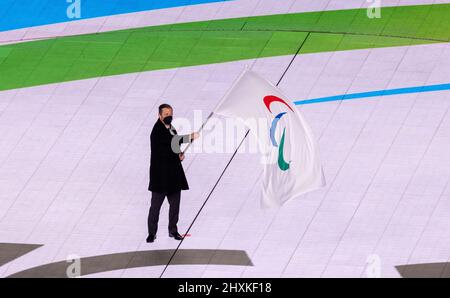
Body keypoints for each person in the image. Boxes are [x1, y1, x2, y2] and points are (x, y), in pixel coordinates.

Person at [146, 103, 199, 243]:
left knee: (175, 206)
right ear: (159, 115)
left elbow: (175, 147)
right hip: (160, 177)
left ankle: (173, 231)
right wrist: (190, 136)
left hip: (173, 176)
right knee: (155, 207)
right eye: (166, 115)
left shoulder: (172, 128)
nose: (169, 117)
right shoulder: (157, 131)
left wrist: (179, 154)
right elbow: (171, 143)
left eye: (170, 114)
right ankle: (152, 233)